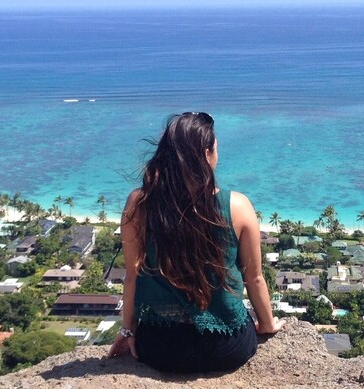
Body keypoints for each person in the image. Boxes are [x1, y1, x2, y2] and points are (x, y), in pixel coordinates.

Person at [107, 112, 283, 372]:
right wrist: (267, 325)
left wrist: (128, 330)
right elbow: (254, 278)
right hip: (228, 348)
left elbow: (132, 276)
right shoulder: (238, 206)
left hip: (159, 349)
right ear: (208, 154)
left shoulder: (140, 203)